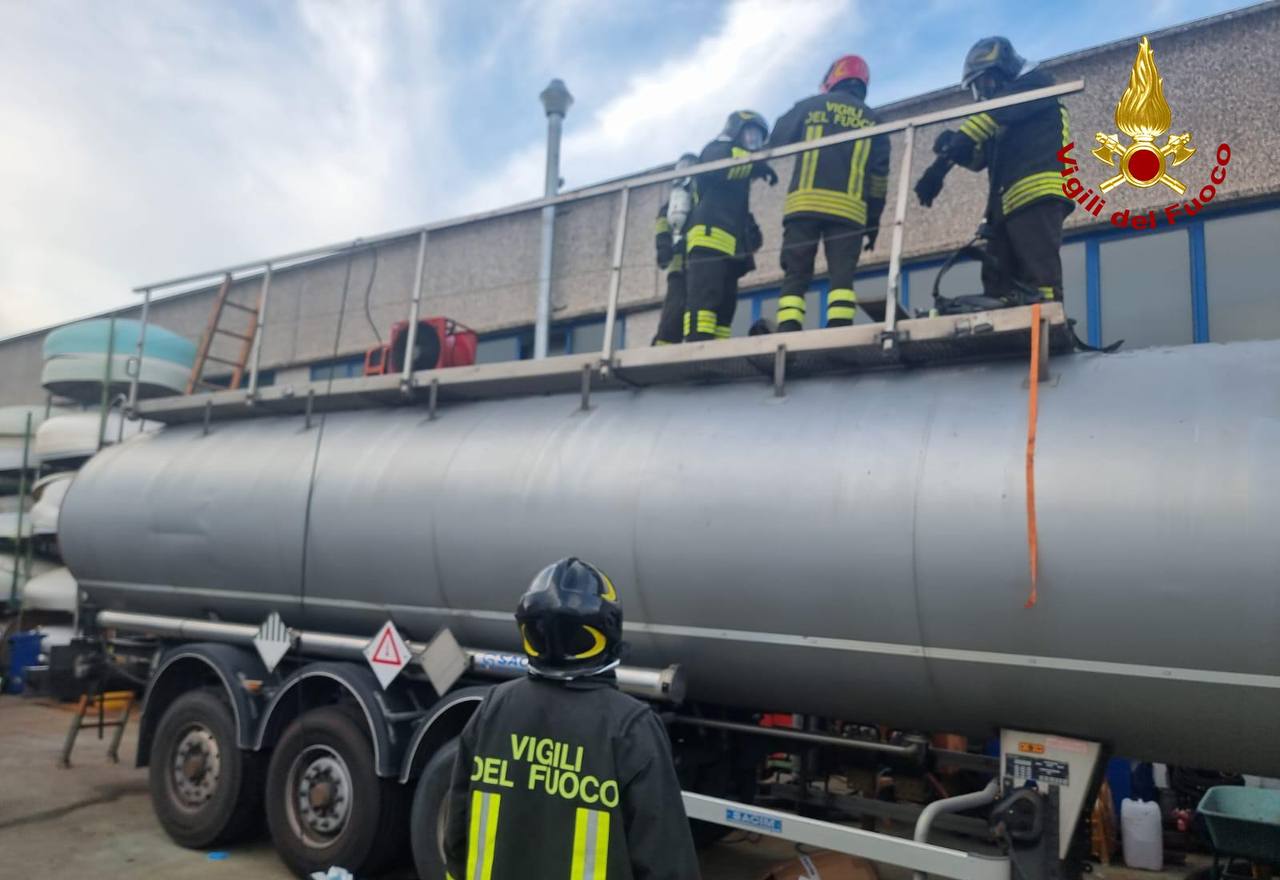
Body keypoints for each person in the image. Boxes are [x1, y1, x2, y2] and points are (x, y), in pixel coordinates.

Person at [443, 557, 700, 880]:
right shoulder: (630, 728)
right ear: (607, 634)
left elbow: (456, 836)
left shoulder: (493, 707)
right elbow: (666, 860)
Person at [914, 37, 1073, 303]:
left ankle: (1048, 318)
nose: (983, 94)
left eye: (984, 84)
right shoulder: (1010, 114)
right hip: (1009, 202)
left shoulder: (1035, 86)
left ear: (1004, 72)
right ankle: (1006, 325)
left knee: (1039, 270)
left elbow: (985, 120)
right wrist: (955, 149)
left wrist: (939, 167)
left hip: (1037, 193)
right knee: (997, 275)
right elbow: (981, 159)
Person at [769, 55, 890, 331]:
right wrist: (873, 221)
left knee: (796, 271)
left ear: (832, 78)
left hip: (805, 206)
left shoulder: (810, 106)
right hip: (849, 213)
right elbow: (879, 178)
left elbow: (777, 138)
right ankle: (839, 324)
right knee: (842, 276)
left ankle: (788, 327)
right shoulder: (874, 121)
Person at [683, 111, 776, 342]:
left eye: (758, 139)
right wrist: (757, 166)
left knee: (726, 304)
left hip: (730, 246)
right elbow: (721, 166)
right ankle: (697, 347)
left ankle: (718, 350)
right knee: (705, 298)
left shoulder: (740, 173)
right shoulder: (715, 149)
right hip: (708, 238)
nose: (754, 143)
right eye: (750, 134)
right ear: (736, 130)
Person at [653, 153, 698, 345]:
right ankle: (661, 353)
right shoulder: (670, 205)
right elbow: (663, 227)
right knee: (673, 314)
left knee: (695, 311)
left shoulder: (702, 199)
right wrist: (664, 249)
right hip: (678, 268)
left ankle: (692, 347)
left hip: (699, 265)